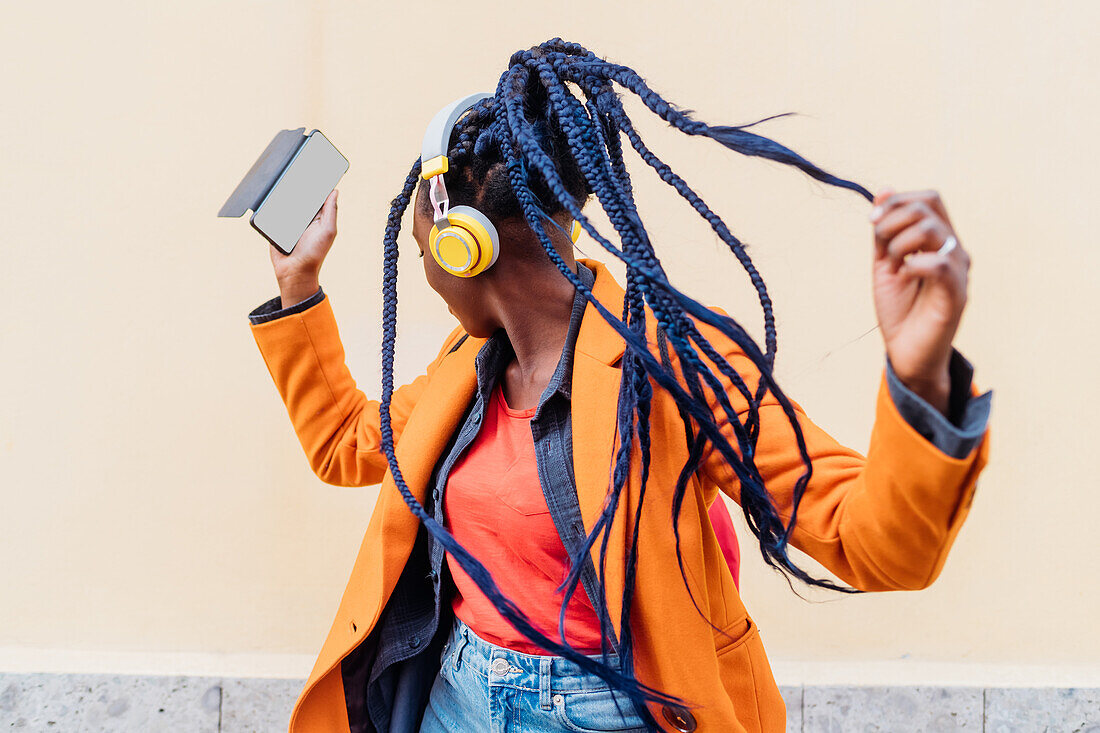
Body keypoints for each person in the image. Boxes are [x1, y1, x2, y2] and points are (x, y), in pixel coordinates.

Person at [247, 40, 991, 733]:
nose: (423, 268)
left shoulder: (671, 356)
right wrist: (297, 286)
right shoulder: (465, 367)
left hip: (608, 710)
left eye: (421, 248)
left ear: (460, 243)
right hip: (455, 697)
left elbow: (875, 544)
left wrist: (919, 376)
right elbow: (346, 444)